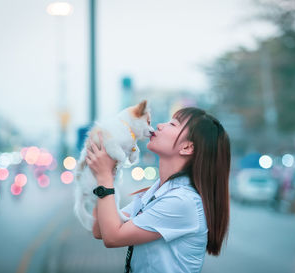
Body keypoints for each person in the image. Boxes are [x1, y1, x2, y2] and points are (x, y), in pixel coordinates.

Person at [86, 107, 231, 273]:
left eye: (172, 124)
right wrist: (105, 174)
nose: (160, 125)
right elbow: (100, 230)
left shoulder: (182, 201)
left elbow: (112, 237)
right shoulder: (156, 192)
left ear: (187, 147)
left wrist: (104, 177)